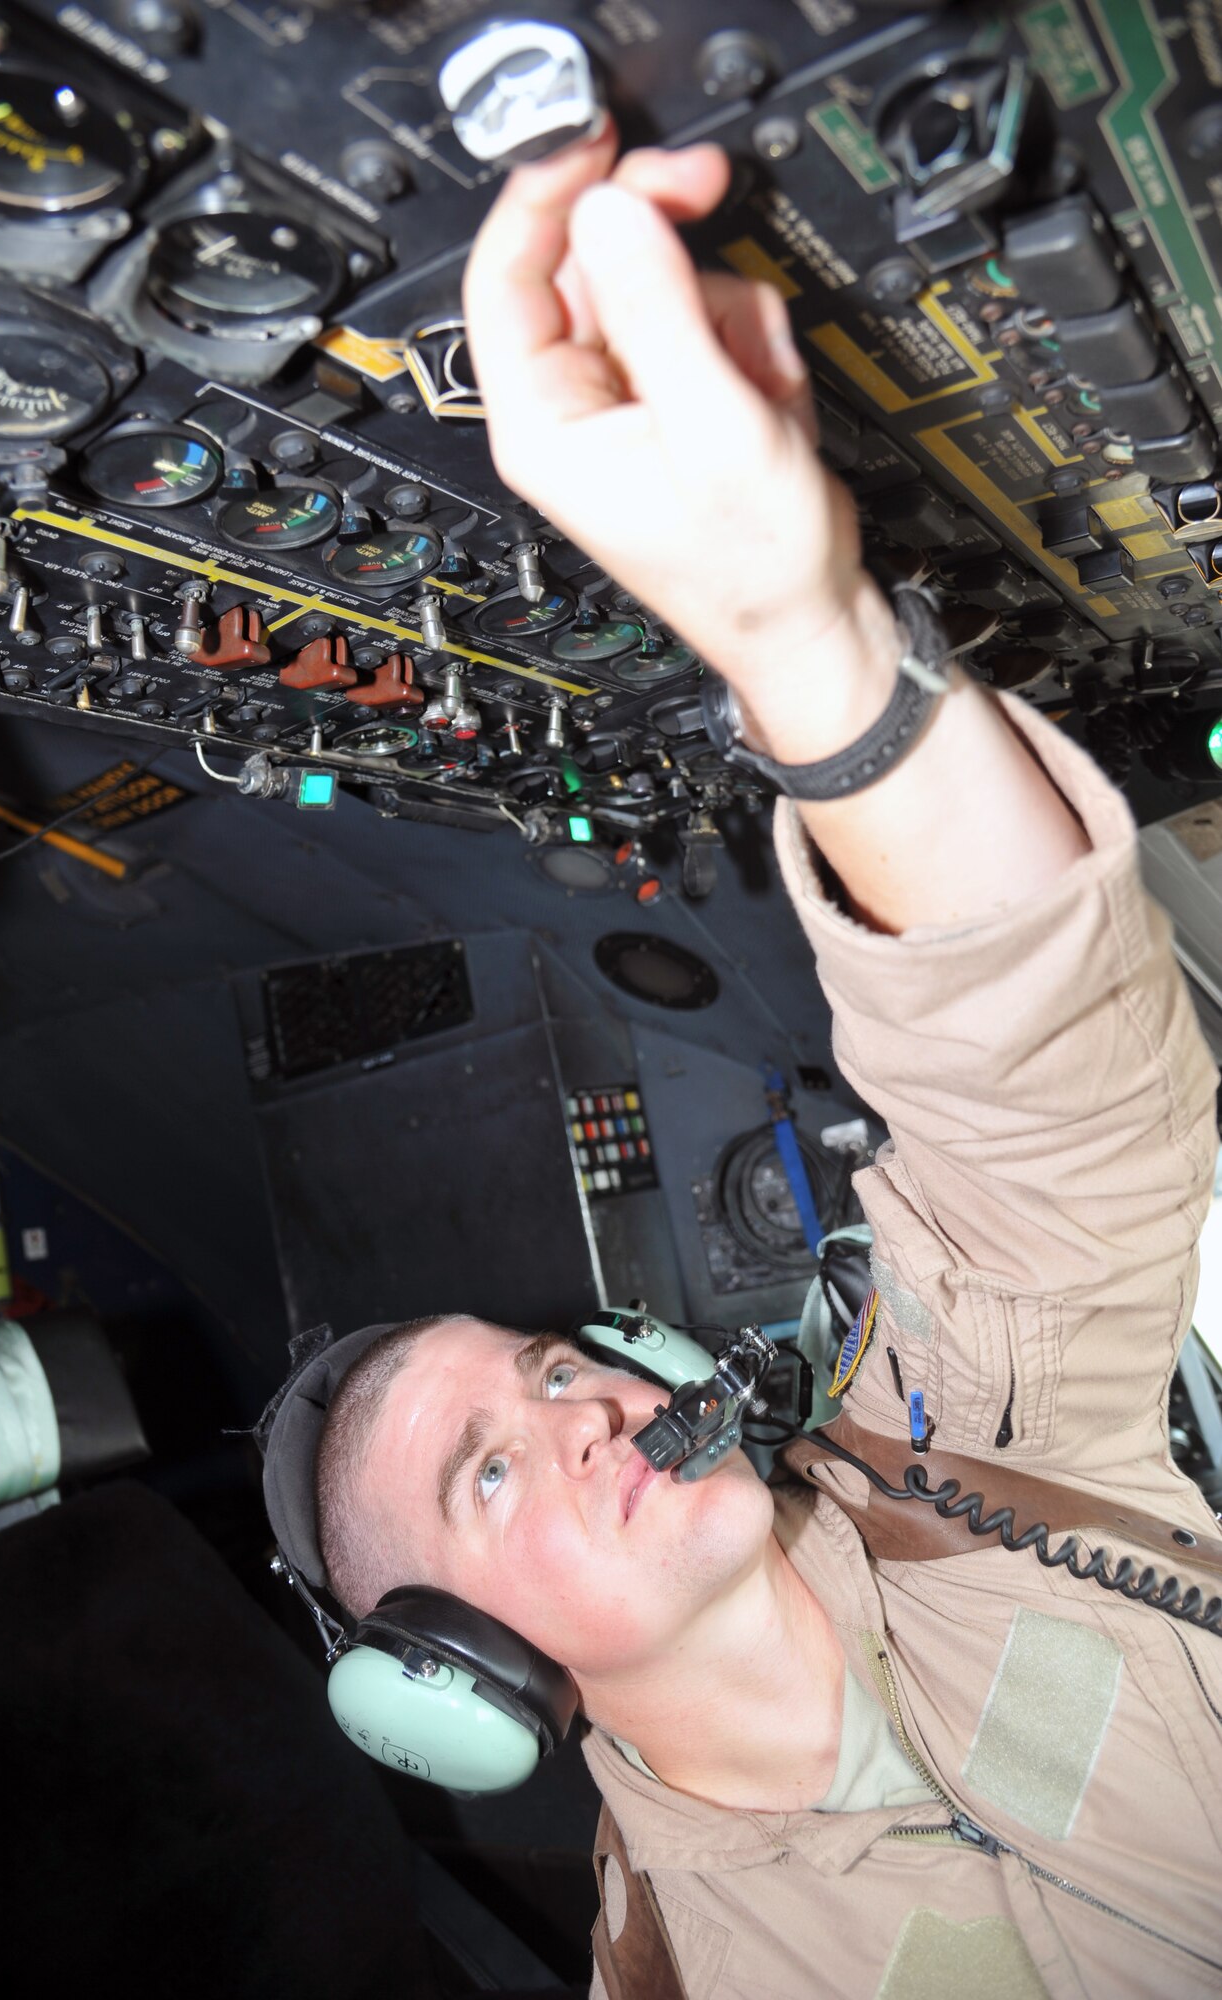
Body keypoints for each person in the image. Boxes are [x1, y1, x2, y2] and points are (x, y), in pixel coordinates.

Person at [299, 127, 1222, 1997]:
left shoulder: (939, 1470)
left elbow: (1042, 1115)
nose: (577, 1410)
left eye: (552, 1365)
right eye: (490, 1477)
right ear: (465, 1682)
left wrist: (800, 639)